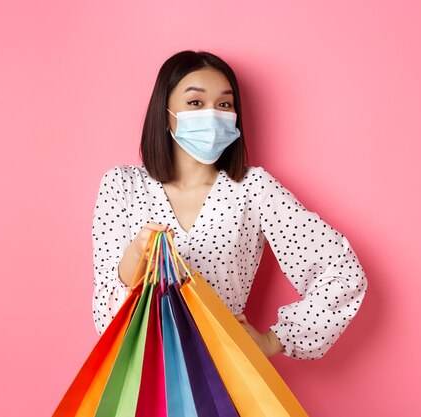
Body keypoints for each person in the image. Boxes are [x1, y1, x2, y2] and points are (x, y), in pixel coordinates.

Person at [91, 50, 368, 360]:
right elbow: (107, 315)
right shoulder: (122, 186)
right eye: (195, 103)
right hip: (140, 374)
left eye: (224, 104)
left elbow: (342, 272)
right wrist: (139, 253)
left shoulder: (253, 189)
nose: (212, 114)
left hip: (224, 374)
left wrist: (272, 340)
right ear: (164, 110)